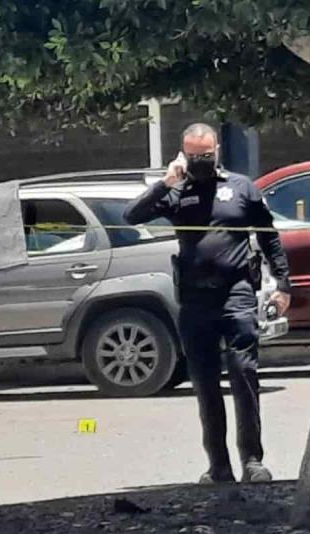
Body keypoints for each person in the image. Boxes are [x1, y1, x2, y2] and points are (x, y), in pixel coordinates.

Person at [124, 123, 292, 485]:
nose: (199, 161)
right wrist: (165, 183)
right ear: (183, 153)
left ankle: (252, 460)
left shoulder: (241, 187)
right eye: (193, 155)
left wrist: (283, 283)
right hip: (196, 299)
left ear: (216, 151)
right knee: (205, 383)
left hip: (237, 294)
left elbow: (269, 238)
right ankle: (218, 465)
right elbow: (132, 216)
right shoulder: (177, 190)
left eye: (205, 154)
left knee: (243, 372)